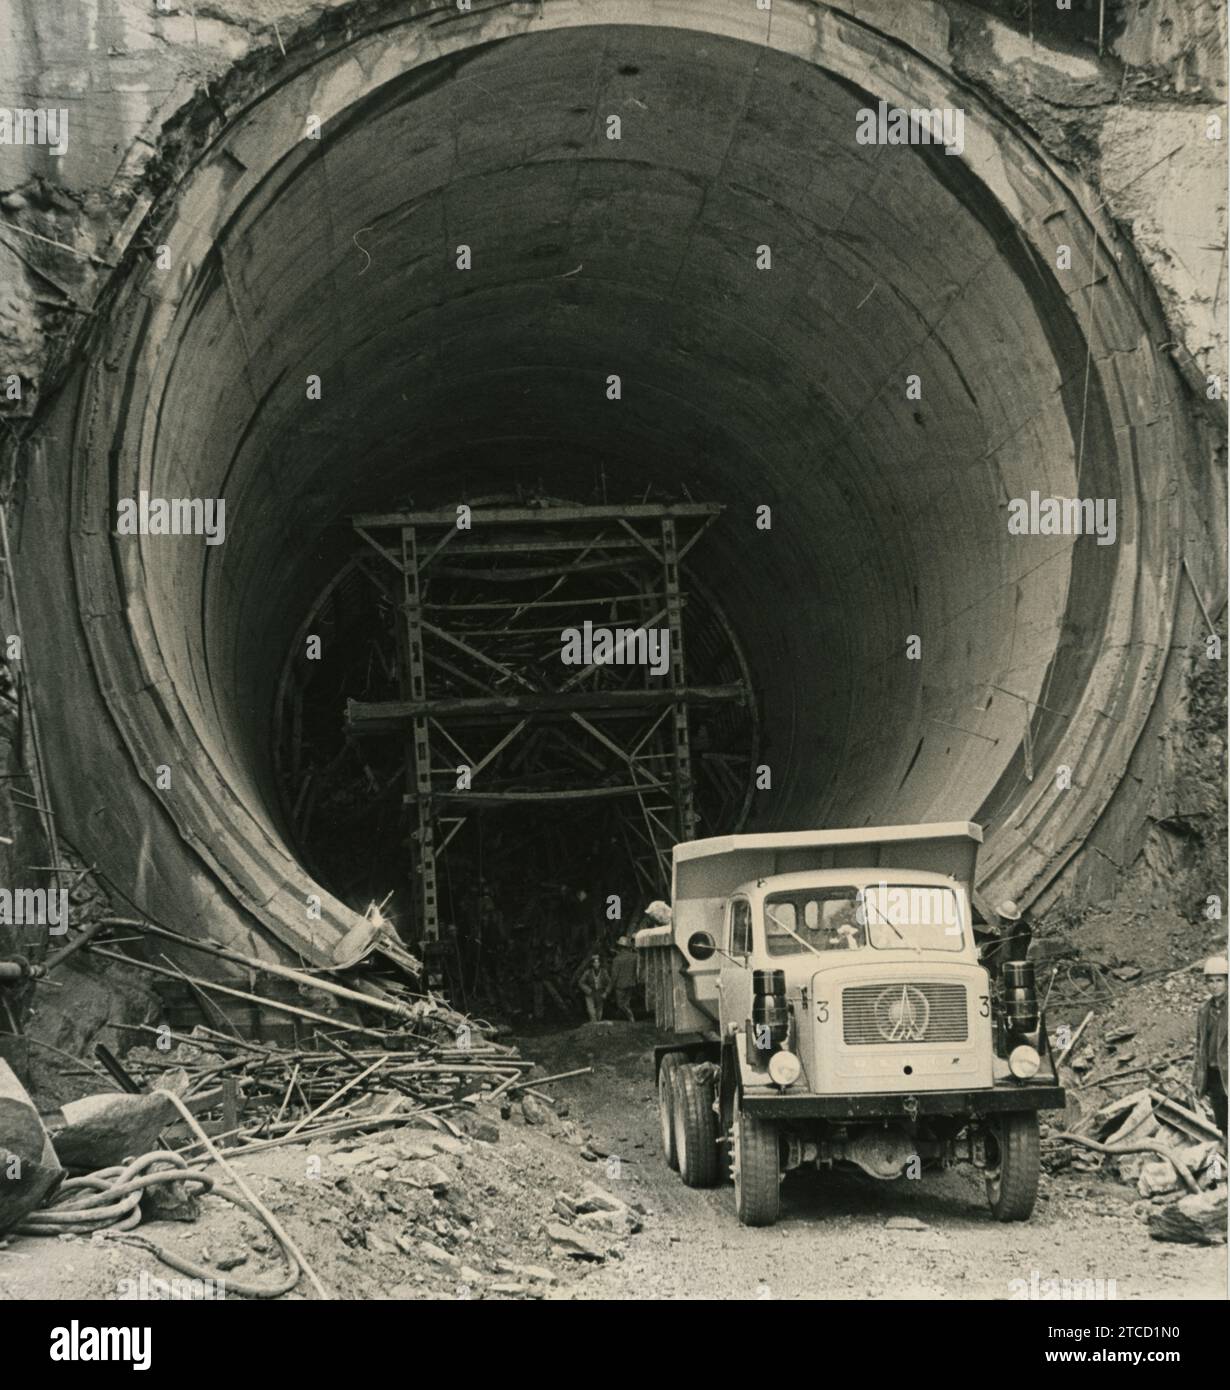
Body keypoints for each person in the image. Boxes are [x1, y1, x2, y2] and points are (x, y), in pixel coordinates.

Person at [1192, 955, 1228, 1133]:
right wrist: (1197, 1077)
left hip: (1228, 1071)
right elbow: (1200, 1046)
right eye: (1210, 981)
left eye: (1219, 980)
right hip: (1213, 1073)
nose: (1214, 985)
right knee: (1221, 1117)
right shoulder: (1204, 1010)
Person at [608, 936, 639, 1022]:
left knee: (621, 1004)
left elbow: (614, 977)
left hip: (620, 985)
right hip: (631, 983)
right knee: (626, 1002)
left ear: (620, 947)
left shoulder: (616, 960)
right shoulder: (634, 957)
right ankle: (629, 1020)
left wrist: (607, 991)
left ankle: (631, 1018)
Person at [576, 953, 611, 1023]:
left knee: (599, 1009)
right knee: (590, 1009)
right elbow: (581, 982)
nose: (596, 964)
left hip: (600, 992)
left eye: (597, 962)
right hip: (590, 992)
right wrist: (588, 990)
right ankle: (593, 1022)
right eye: (594, 963)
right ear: (592, 964)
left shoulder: (604, 972)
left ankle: (598, 1022)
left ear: (600, 963)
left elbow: (610, 983)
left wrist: (606, 993)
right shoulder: (588, 972)